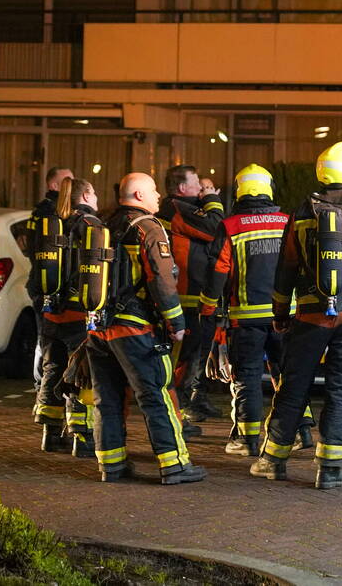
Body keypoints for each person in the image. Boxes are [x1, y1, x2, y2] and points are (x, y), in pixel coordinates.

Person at [249, 142, 342, 489]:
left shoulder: (301, 214)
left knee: (294, 386)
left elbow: (285, 269)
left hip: (311, 314)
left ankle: (272, 459)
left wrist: (280, 312)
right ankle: (331, 468)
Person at [84, 172, 205, 485]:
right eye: (152, 191)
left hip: (99, 327)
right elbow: (161, 280)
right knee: (156, 394)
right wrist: (176, 323)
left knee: (107, 398)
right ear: (138, 195)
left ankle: (111, 466)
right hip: (134, 328)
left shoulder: (103, 224)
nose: (158, 197)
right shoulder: (148, 228)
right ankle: (174, 465)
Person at [200, 164, 313, 456]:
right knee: (288, 374)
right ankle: (300, 431)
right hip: (285, 316)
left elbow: (218, 272)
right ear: (268, 189)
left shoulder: (230, 226)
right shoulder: (287, 221)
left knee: (247, 376)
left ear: (239, 191)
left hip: (245, 318)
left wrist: (208, 309)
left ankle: (246, 439)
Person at [33, 177, 101, 456]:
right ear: (84, 195)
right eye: (94, 193)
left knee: (52, 370)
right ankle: (81, 438)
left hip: (52, 314)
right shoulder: (92, 227)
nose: (96, 198)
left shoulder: (54, 224)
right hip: (78, 315)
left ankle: (50, 435)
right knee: (79, 376)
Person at [156, 165, 225, 426]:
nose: (202, 189)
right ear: (183, 188)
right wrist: (212, 199)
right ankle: (178, 411)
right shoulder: (178, 208)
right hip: (184, 297)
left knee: (194, 354)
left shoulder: (183, 208)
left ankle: (190, 401)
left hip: (194, 295)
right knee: (183, 357)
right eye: (197, 184)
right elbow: (216, 228)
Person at [26, 167, 73, 389]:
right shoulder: (53, 213)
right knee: (46, 339)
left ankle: (44, 385)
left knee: (45, 337)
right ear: (54, 185)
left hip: (42, 282)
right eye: (67, 180)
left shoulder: (39, 212)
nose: (71, 183)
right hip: (49, 284)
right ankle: (44, 384)